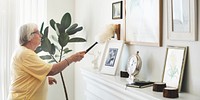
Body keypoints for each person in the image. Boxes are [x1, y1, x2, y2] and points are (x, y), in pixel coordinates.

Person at [7, 23, 86, 100]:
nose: (41, 35)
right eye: (38, 32)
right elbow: (52, 70)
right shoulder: (26, 54)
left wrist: (44, 79)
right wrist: (72, 58)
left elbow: (26, 75)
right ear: (29, 36)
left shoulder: (23, 51)